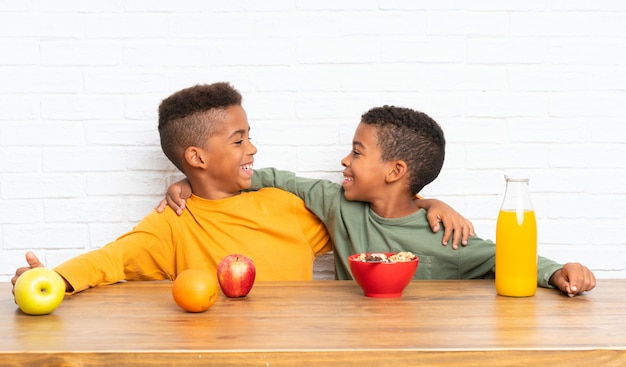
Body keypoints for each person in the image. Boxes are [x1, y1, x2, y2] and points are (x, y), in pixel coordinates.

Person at [11, 82, 470, 296]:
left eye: (250, 134)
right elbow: (109, 260)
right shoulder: (172, 222)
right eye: (238, 140)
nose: (253, 147)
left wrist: (425, 199)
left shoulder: (285, 205)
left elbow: (369, 217)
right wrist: (51, 279)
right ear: (196, 159)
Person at [163, 105, 596, 297]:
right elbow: (279, 179)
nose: (344, 160)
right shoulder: (337, 204)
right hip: (348, 342)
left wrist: (559, 272)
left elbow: (505, 257)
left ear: (395, 172)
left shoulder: (443, 235)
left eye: (357, 152)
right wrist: (193, 179)